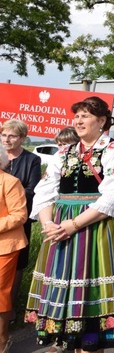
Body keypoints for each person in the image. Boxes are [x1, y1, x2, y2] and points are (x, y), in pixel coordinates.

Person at [25, 96, 114, 351]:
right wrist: (48, 224)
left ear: (102, 121)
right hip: (60, 233)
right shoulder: (64, 152)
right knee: (68, 312)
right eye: (77, 115)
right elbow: (46, 190)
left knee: (92, 309)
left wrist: (73, 225)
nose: (79, 120)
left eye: (85, 115)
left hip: (97, 231)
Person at [1, 119, 41, 325]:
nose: (7, 139)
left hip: (18, 218)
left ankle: (11, 307)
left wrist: (10, 197)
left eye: (12, 136)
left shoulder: (31, 159)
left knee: (17, 265)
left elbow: (32, 189)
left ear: (22, 138)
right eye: (4, 135)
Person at [0, 145, 28, 352]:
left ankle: (2, 339)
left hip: (6, 246)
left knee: (0, 292)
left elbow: (20, 215)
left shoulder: (10, 182)